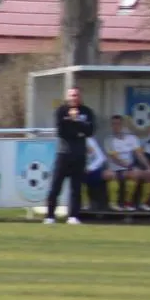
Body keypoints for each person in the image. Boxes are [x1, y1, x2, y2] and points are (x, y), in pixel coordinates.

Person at [44, 85, 97, 224]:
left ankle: (73, 216)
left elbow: (90, 131)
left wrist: (76, 121)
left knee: (76, 187)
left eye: (76, 95)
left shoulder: (87, 112)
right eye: (72, 95)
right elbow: (61, 131)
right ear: (67, 97)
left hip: (79, 154)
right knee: (55, 186)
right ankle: (50, 216)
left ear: (80, 96)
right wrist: (78, 130)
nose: (74, 98)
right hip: (63, 153)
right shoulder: (61, 111)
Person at [102, 115, 150, 211]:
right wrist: (130, 166)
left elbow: (139, 155)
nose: (116, 126)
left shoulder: (132, 138)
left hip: (129, 169)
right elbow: (115, 158)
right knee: (111, 174)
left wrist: (149, 167)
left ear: (123, 125)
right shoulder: (108, 140)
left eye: (118, 124)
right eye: (114, 124)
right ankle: (114, 204)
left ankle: (142, 203)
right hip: (115, 169)